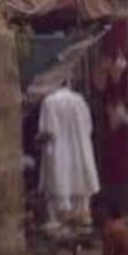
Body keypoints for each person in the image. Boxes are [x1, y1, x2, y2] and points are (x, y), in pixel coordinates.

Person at [37, 81, 100, 229]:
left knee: (59, 196)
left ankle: (61, 227)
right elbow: (89, 128)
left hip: (59, 156)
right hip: (81, 154)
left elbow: (48, 131)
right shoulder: (80, 101)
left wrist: (37, 141)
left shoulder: (49, 102)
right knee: (81, 200)